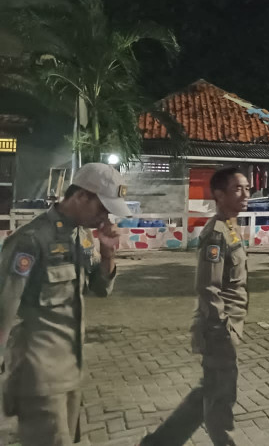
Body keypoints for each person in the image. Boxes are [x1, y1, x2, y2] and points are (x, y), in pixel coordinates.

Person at [0, 162, 125, 446]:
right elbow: (4, 305)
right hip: (37, 376)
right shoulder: (30, 240)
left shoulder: (81, 236)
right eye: (102, 208)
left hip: (69, 370)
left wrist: (108, 254)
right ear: (81, 196)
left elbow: (101, 290)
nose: (105, 217)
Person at [140, 167, 250, 446]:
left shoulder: (231, 228)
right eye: (238, 189)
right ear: (219, 195)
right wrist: (222, 329)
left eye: (247, 188)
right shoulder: (216, 234)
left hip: (228, 326)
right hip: (219, 329)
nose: (246, 194)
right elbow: (208, 287)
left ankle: (158, 443)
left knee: (209, 391)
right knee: (221, 397)